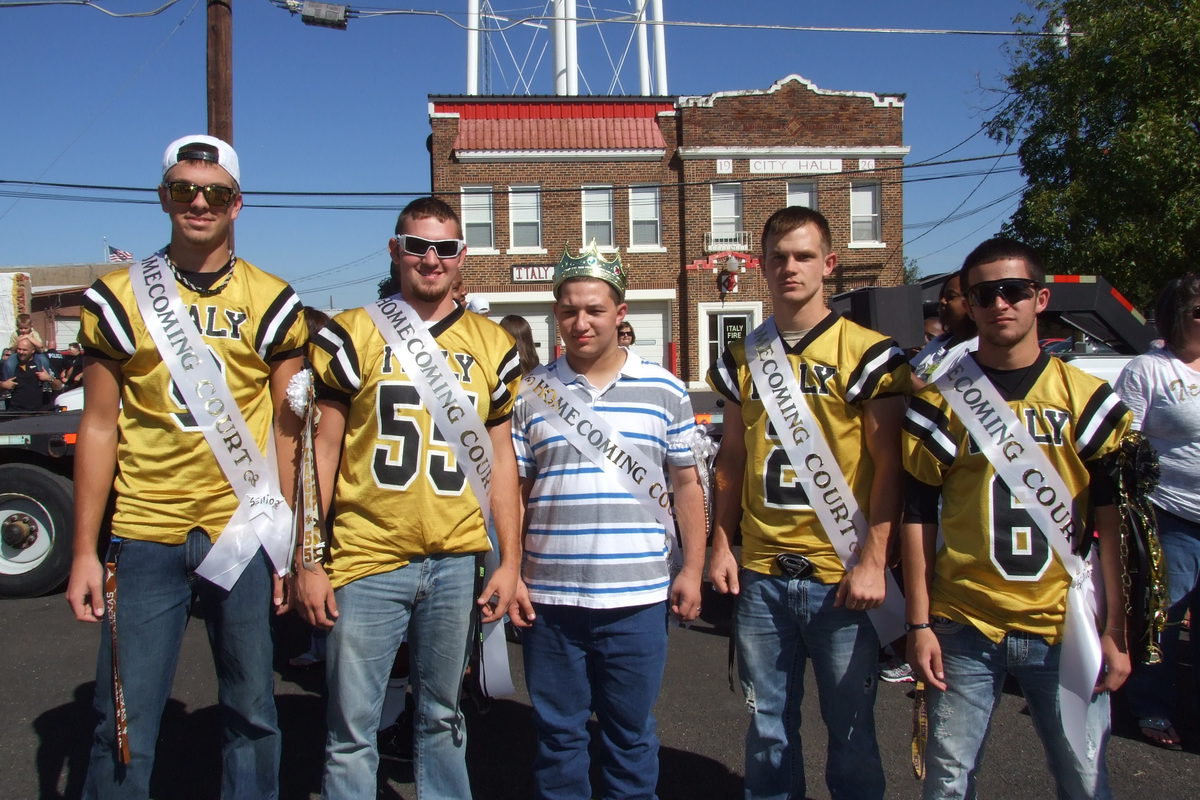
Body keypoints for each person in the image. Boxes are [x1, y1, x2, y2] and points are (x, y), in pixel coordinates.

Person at [65, 134, 306, 799]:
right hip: (147, 532)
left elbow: (290, 434)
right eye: (183, 189)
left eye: (215, 193)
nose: (199, 202)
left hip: (242, 533)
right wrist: (84, 550)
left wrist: (289, 546)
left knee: (254, 712)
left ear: (238, 204)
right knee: (123, 719)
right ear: (163, 197)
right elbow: (99, 426)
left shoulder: (272, 299)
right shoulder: (116, 296)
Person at [294, 196, 525, 799]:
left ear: (461, 257)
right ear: (395, 250)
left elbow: (503, 461)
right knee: (351, 730)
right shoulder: (353, 332)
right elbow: (322, 451)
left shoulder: (493, 343)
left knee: (444, 717)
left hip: (455, 561)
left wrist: (511, 561)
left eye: (444, 248)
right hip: (368, 556)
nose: (431, 258)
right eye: (417, 245)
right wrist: (309, 557)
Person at [902, 237, 1132, 799]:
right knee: (947, 784)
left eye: (1014, 290)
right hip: (964, 622)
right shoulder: (941, 399)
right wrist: (918, 623)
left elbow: (1113, 521)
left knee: (1084, 780)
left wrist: (1117, 630)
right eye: (985, 294)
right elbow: (917, 514)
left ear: (1041, 298)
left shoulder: (1086, 398)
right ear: (969, 305)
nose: (1000, 303)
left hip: (1064, 623)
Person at [707, 206, 910, 800]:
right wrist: (722, 544)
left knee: (850, 730)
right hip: (764, 572)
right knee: (767, 727)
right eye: (777, 257)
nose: (789, 267)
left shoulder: (869, 353)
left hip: (840, 572)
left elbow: (889, 467)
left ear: (829, 263)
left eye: (802, 256)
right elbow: (732, 461)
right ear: (760, 266)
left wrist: (875, 558)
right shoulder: (742, 357)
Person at [509, 243, 706, 799]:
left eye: (594, 309)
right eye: (569, 310)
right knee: (557, 737)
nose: (581, 322)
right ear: (556, 315)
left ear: (621, 313)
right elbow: (518, 492)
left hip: (637, 598)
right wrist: (513, 571)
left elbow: (687, 486)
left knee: (630, 736)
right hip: (550, 599)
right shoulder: (531, 392)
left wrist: (692, 569)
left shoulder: (665, 390)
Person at [1114, 273, 1200, 750]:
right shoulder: (1149, 369)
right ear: (1176, 316)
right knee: (1160, 618)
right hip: (1171, 515)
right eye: (1199, 312)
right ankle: (1149, 704)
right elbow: (1127, 444)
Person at [909, 272, 979, 387]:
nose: (942, 301)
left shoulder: (977, 348)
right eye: (942, 296)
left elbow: (942, 400)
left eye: (950, 296)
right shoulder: (940, 341)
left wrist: (898, 369)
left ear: (972, 301)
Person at [0, 334, 63, 410]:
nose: (21, 352)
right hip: (16, 413)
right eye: (19, 349)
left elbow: (59, 386)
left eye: (24, 350)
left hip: (40, 412)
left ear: (33, 351)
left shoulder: (42, 364)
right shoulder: (9, 365)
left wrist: (49, 378)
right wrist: (3, 385)